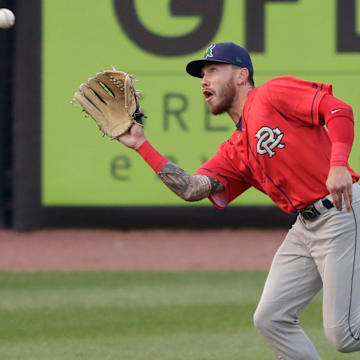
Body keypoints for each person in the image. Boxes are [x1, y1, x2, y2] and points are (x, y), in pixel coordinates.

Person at [117, 42, 360, 359]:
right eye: (202, 74)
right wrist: (141, 144)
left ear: (242, 74)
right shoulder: (235, 149)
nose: (204, 80)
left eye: (213, 70)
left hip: (342, 209)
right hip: (306, 227)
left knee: (344, 334)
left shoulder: (272, 94)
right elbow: (192, 188)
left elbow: (338, 109)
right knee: (272, 318)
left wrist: (339, 163)